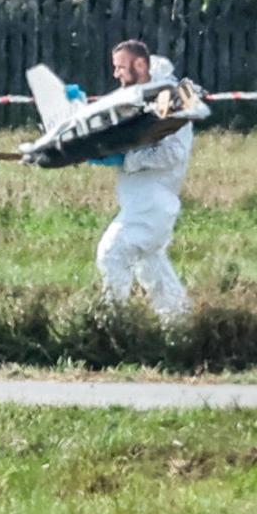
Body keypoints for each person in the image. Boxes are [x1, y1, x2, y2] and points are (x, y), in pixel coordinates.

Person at [87, 40, 192, 320]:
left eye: (121, 68)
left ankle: (112, 326)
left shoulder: (172, 102)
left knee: (112, 253)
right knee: (150, 266)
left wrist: (127, 158)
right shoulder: (140, 99)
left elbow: (174, 152)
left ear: (141, 66)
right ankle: (181, 326)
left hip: (153, 202)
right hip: (143, 201)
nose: (116, 74)